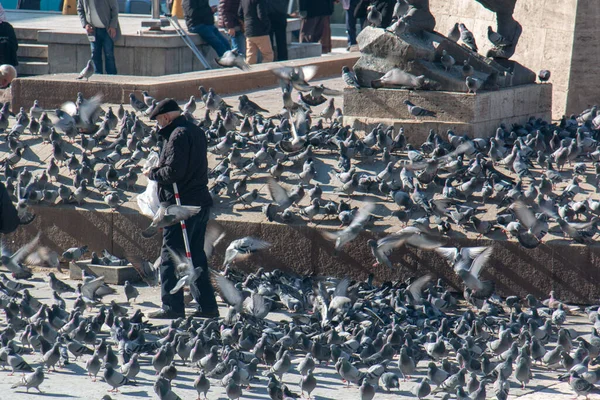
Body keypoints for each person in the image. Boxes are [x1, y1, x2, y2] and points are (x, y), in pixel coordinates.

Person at [145, 99, 217, 319]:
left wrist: (152, 173)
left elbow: (174, 172)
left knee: (170, 255)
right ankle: (207, 307)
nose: (158, 126)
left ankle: (172, 307)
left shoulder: (177, 135)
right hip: (200, 200)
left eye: (158, 121)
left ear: (166, 117)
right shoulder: (195, 130)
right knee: (195, 255)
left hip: (180, 205)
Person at [77, 0, 120, 75]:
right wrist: (85, 24)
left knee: (109, 54)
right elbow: (80, 9)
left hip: (107, 30)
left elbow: (115, 9)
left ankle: (112, 76)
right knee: (95, 54)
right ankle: (97, 75)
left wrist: (113, 25)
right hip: (93, 31)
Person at [239, 0, 274, 65]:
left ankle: (249, 73)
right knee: (268, 55)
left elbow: (240, 14)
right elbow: (261, 15)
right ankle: (264, 72)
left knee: (250, 57)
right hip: (260, 31)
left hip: (248, 31)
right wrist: (267, 25)